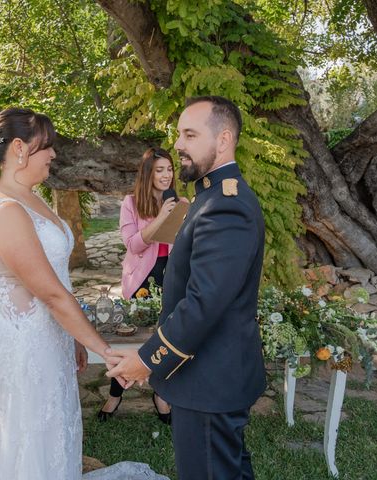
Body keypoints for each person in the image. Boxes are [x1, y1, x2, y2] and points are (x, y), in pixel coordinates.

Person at [107, 96, 267, 479]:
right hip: (209, 375)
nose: (178, 144)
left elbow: (203, 304)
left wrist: (146, 360)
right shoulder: (209, 197)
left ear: (224, 139)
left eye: (189, 134)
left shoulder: (226, 205)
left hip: (208, 380)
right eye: (179, 134)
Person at [0, 107, 116, 479]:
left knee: (56, 429)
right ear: (19, 148)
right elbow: (50, 295)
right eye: (46, 147)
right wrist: (106, 351)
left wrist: (73, 336)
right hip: (26, 342)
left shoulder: (32, 197)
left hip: (50, 336)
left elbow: (57, 279)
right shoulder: (6, 209)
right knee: (32, 436)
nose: (52, 155)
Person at [97, 147, 178, 424]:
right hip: (142, 278)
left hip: (173, 276)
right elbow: (133, 244)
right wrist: (161, 219)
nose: (166, 175)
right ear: (148, 173)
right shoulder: (131, 203)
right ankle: (116, 394)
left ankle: (161, 393)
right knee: (131, 339)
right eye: (160, 170)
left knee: (165, 337)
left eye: (169, 169)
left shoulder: (176, 202)